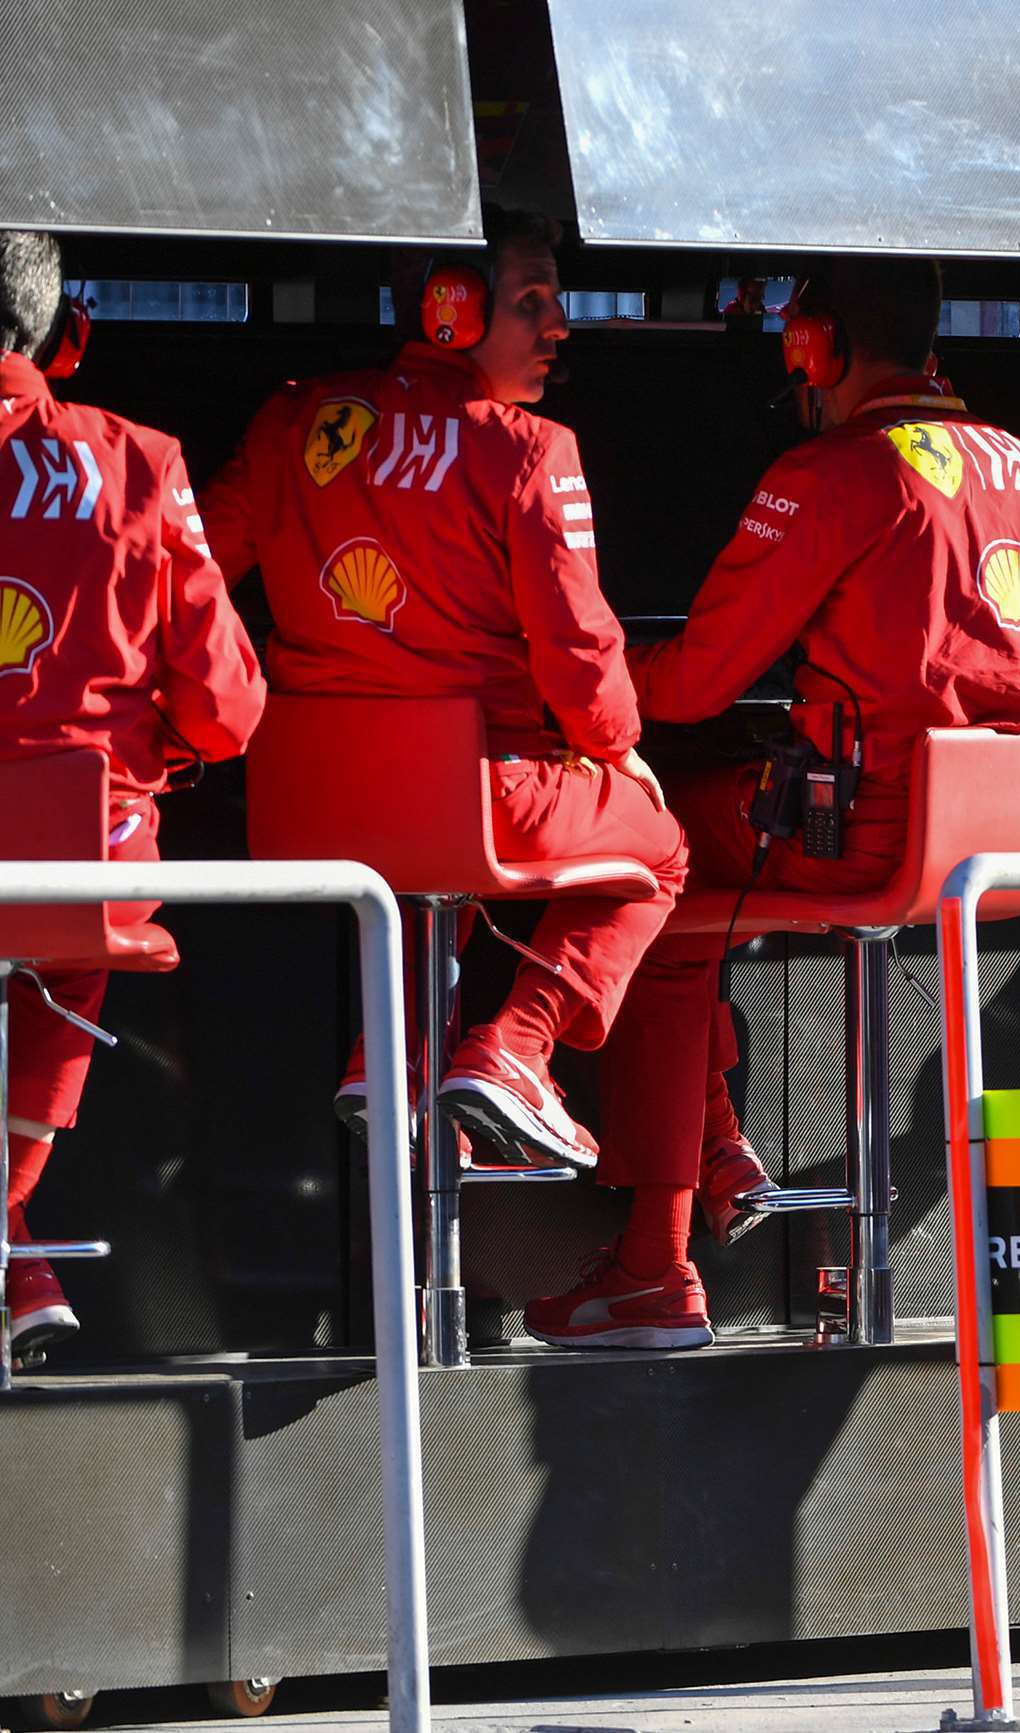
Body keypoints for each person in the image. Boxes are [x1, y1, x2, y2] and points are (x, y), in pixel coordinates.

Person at [585, 257, 1020, 1348]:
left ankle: (656, 1259)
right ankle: (714, 1145)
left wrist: (580, 676)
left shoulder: (834, 469)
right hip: (1009, 854)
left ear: (817, 347)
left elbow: (696, 683)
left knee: (629, 850)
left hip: (858, 840)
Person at [200, 210, 693, 1321]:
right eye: (531, 300)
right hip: (478, 804)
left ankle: (394, 1053)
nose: (559, 325)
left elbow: (188, 573)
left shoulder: (294, 419)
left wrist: (218, 709)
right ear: (448, 306)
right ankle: (514, 1048)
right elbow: (585, 665)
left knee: (453, 857)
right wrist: (620, 754)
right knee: (659, 848)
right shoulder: (530, 451)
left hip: (306, 806)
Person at [0, 230, 267, 1366]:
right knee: (66, 940)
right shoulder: (142, 459)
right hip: (82, 870)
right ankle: (10, 1234)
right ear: (66, 336)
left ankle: (14, 1248)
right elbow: (226, 711)